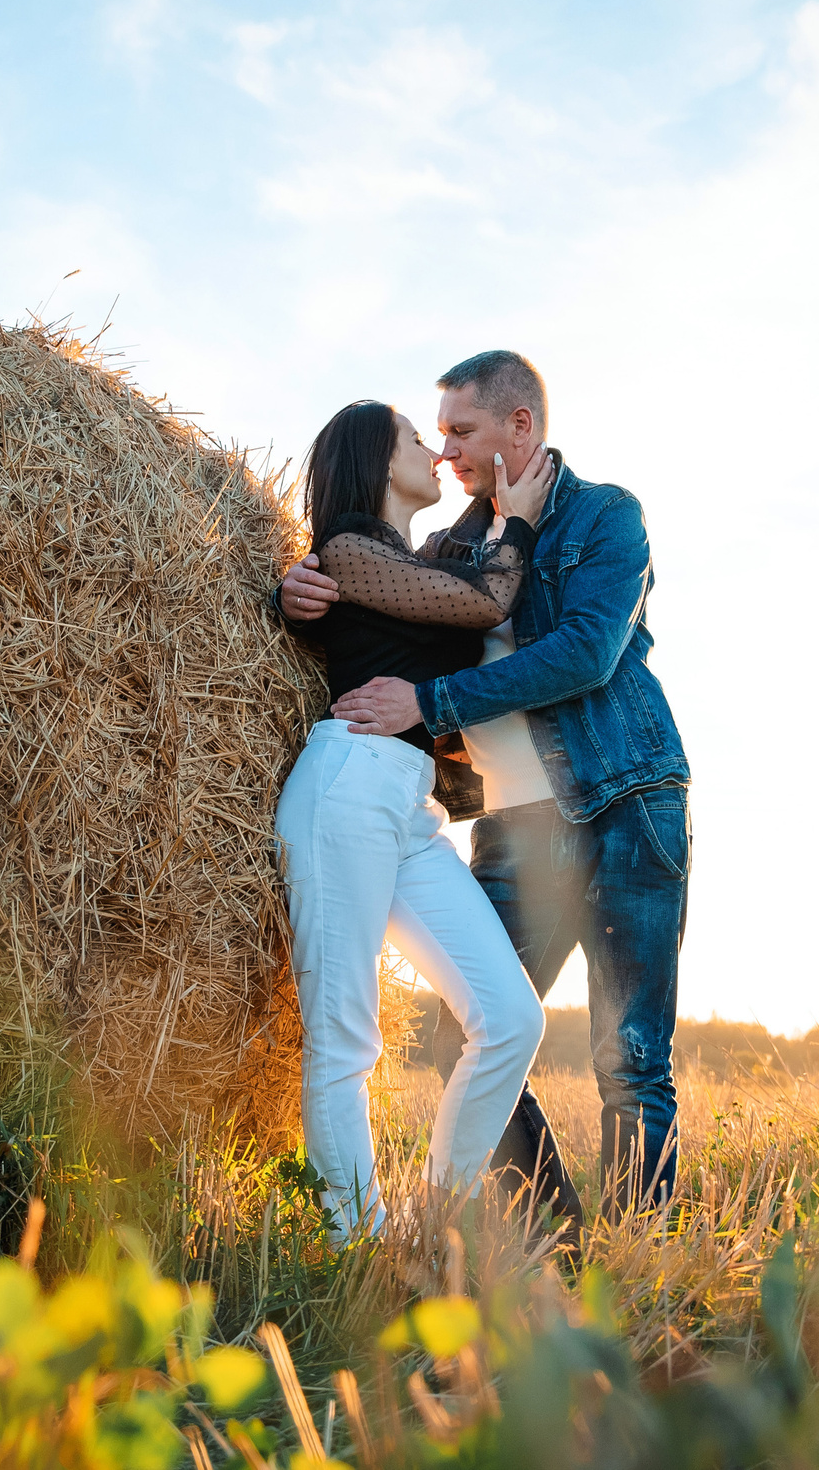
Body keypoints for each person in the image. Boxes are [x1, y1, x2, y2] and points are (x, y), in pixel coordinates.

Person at [277, 351, 692, 1220]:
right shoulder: (454, 542)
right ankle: (533, 1234)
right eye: (433, 434)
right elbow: (378, 602)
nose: (444, 449)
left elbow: (584, 651)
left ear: (520, 427)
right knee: (455, 1030)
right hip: (498, 820)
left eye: (460, 431)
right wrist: (293, 589)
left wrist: (430, 699)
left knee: (626, 1053)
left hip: (620, 797)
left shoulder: (605, 515)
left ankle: (633, 1253)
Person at [273, 397, 556, 1240]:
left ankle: (437, 1226)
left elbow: (462, 596)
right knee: (343, 1038)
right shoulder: (349, 553)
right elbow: (486, 599)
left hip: (411, 808)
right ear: (371, 458)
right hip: (348, 787)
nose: (435, 452)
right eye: (413, 438)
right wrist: (521, 521)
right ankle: (350, 1245)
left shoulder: (420, 558)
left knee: (511, 1017)